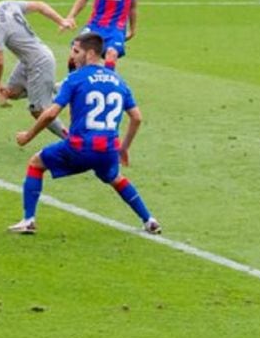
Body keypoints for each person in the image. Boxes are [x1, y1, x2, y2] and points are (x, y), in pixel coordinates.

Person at [8, 32, 161, 235]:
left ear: (90, 53)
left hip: (80, 147)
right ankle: (149, 219)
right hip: (108, 149)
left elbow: (51, 113)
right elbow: (137, 117)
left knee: (36, 163)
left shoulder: (75, 79)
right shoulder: (118, 80)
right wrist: (124, 148)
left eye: (76, 51)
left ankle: (28, 220)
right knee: (114, 177)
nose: (72, 56)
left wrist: (28, 136)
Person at [0, 0, 71, 139]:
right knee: (11, 93)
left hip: (39, 62)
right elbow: (39, 5)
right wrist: (61, 20)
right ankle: (55, 87)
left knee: (38, 111)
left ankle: (70, 139)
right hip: (28, 61)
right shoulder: (7, 3)